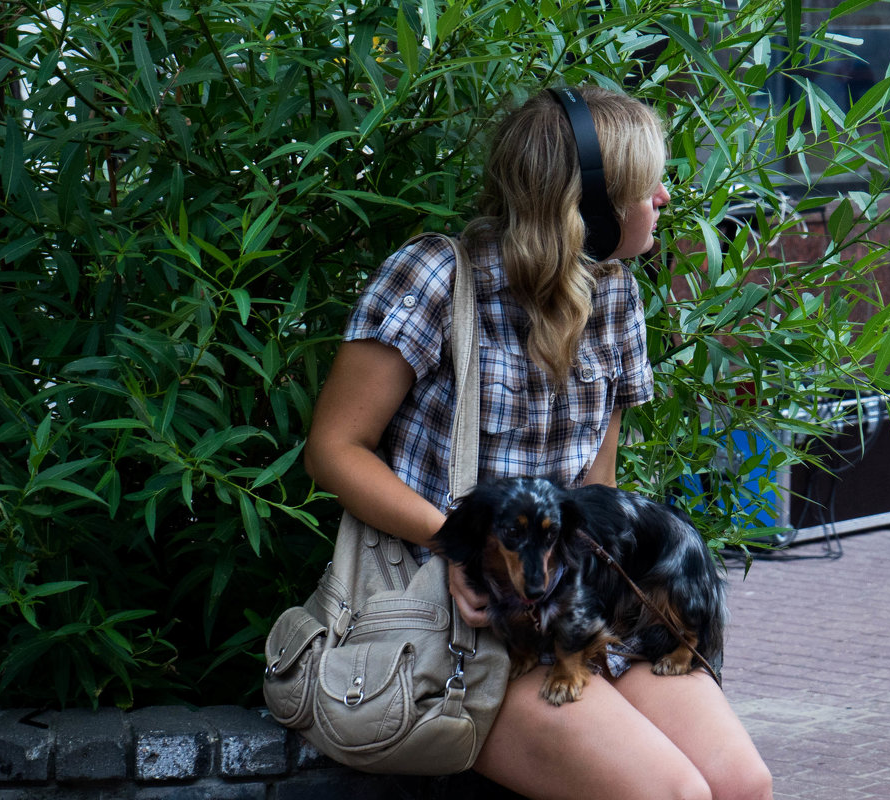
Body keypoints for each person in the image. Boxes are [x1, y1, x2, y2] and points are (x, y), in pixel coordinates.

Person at [304, 85, 773, 800]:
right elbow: (334, 449)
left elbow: (597, 489)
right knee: (671, 794)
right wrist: (458, 546)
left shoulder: (614, 294)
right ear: (588, 204)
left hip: (569, 602)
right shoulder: (436, 277)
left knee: (742, 784)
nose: (665, 199)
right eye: (648, 186)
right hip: (456, 622)